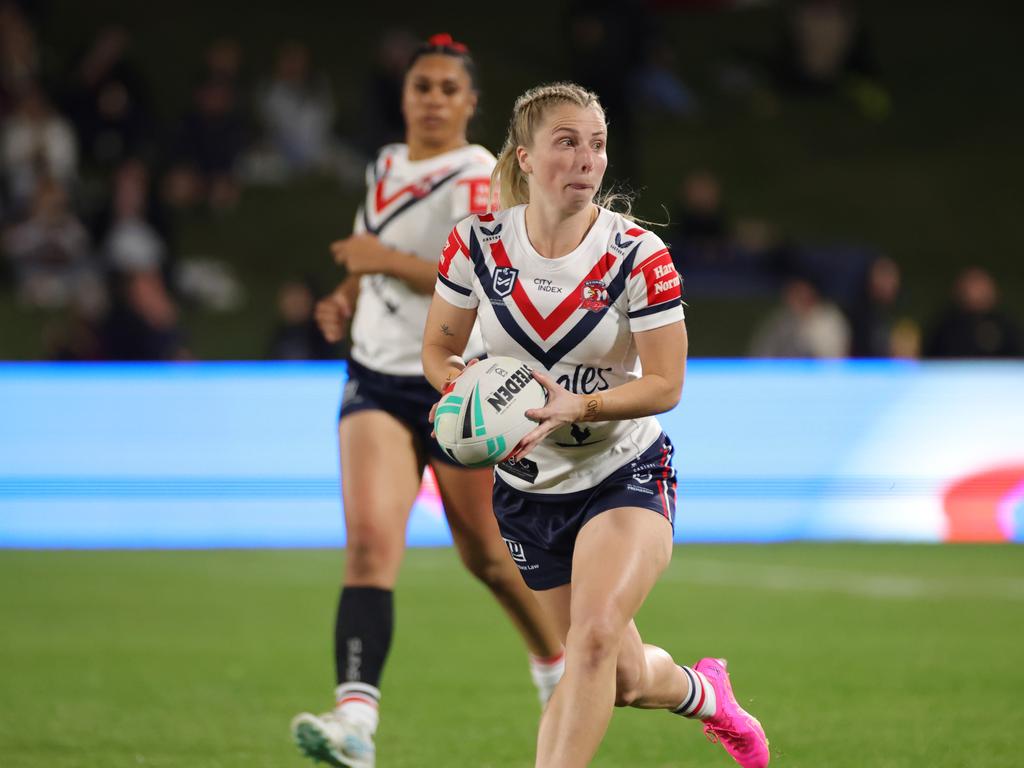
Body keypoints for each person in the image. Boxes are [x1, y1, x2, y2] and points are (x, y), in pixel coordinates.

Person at [422, 83, 770, 768]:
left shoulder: (637, 255)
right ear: (525, 158)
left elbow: (667, 383)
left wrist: (574, 407)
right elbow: (437, 352)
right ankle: (708, 694)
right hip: (528, 490)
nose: (588, 159)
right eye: (568, 142)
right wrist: (465, 394)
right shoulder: (476, 245)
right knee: (620, 677)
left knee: (592, 638)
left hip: (623, 472)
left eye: (598, 144)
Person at [289, 34, 564, 768]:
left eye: (449, 88)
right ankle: (355, 725)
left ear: (472, 103)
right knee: (371, 547)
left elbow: (467, 272)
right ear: (405, 97)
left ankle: (553, 665)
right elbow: (365, 240)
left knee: (485, 555)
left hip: (456, 385)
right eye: (422, 86)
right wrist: (345, 294)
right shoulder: (384, 163)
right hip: (376, 374)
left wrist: (379, 263)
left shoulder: (477, 173)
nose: (434, 99)